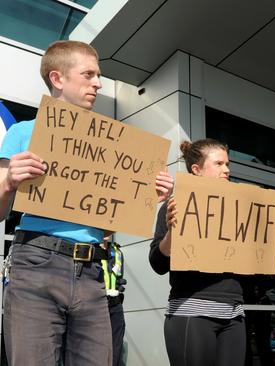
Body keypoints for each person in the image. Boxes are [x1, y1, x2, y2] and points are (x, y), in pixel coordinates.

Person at [0, 40, 173, 365]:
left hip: (94, 272)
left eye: (99, 75)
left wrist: (145, 195)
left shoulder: (112, 146)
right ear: (58, 78)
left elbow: (105, 226)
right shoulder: (24, 132)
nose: (98, 83)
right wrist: (9, 181)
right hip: (37, 264)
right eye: (89, 74)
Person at [150, 139, 275, 366]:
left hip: (234, 316)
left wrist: (269, 240)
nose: (227, 169)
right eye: (219, 163)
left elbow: (262, 278)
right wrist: (173, 233)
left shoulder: (241, 211)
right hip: (192, 313)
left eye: (228, 164)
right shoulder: (177, 203)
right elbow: (157, 264)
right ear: (197, 169)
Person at [101, 238, 127, 366]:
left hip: (115, 305)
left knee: (115, 351)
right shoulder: (88, 247)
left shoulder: (117, 251)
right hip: (95, 304)